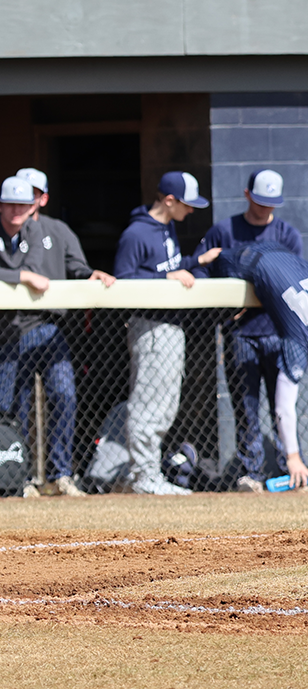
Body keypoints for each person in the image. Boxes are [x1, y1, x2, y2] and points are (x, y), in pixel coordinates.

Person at [0, 176, 114, 498]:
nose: (17, 209)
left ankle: (12, 478)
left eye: (25, 202)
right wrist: (24, 276)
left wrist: (83, 274)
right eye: (10, 203)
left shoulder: (40, 229)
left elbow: (61, 267)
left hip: (18, 329)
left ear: (38, 203)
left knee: (14, 403)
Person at [193, 169, 303, 492]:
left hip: (279, 333)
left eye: (271, 204)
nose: (265, 209)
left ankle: (289, 471)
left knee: (281, 402)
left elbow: (291, 285)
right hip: (241, 332)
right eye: (259, 202)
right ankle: (251, 473)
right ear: (246, 195)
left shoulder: (286, 234)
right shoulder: (223, 231)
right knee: (246, 404)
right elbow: (205, 273)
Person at [113, 171, 222, 495]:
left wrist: (195, 261)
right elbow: (124, 282)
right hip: (151, 326)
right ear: (169, 200)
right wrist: (168, 279)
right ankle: (144, 477)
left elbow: (164, 267)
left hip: (171, 326)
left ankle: (147, 474)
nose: (191, 212)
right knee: (149, 404)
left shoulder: (166, 227)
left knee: (164, 405)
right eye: (187, 205)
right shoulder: (136, 233)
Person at [207, 242, 308, 488]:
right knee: (214, 263)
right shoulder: (299, 339)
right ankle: (280, 467)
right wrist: (293, 457)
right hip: (246, 260)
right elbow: (283, 408)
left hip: (280, 254)